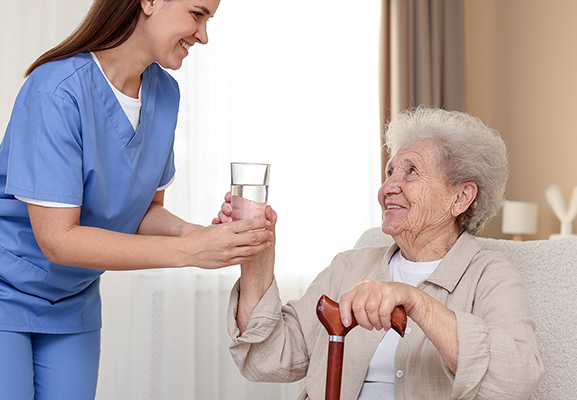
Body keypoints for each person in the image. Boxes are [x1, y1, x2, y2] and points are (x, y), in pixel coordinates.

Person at [0, 0, 272, 399]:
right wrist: (190, 251)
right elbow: (58, 239)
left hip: (71, 296)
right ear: (150, 2)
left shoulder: (165, 94)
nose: (204, 35)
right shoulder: (55, 90)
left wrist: (195, 234)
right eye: (197, 14)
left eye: (209, 19)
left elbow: (143, 210)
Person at [220, 107, 544, 399]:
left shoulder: (489, 275)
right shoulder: (351, 266)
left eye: (411, 171)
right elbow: (269, 358)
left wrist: (416, 301)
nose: (387, 187)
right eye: (390, 172)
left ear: (460, 197)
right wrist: (256, 256)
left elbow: (516, 379)